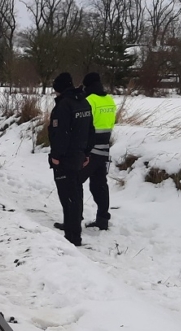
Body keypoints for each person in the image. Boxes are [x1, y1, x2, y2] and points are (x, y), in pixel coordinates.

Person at [48, 72, 94, 246]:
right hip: (79, 155)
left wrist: (56, 157)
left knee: (68, 195)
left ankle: (73, 236)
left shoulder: (64, 106)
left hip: (66, 157)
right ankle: (71, 227)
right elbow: (91, 130)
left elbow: (60, 134)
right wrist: (87, 153)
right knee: (75, 192)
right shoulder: (83, 102)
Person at [81, 72, 116, 230]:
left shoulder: (89, 100)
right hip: (105, 149)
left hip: (90, 150)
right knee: (100, 185)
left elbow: (83, 126)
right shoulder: (109, 100)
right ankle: (102, 219)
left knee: (74, 182)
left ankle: (73, 218)